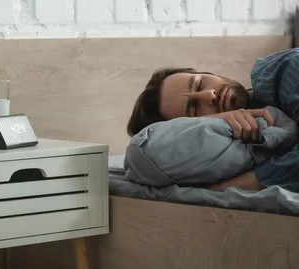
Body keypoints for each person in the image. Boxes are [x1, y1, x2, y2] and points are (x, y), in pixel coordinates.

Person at [127, 48, 299, 193]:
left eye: (200, 83)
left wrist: (239, 185)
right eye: (194, 109)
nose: (209, 95)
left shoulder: (279, 73)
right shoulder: (239, 154)